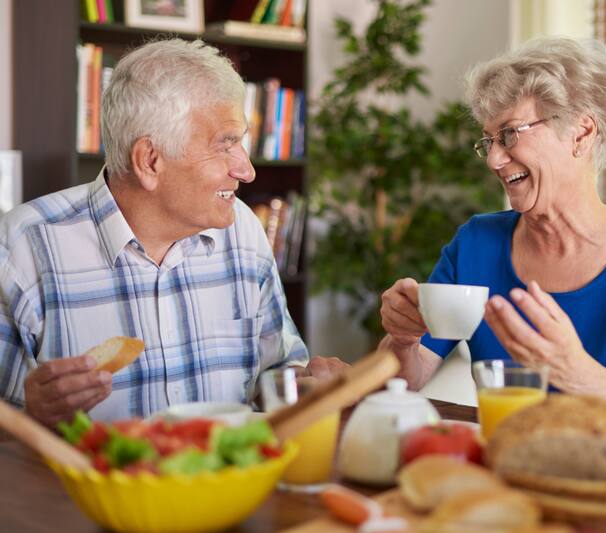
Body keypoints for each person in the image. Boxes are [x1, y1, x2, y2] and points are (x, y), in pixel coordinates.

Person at [0, 39, 347, 427]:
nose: (246, 171)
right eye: (225, 146)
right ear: (150, 161)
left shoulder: (244, 230)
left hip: (232, 483)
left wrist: (305, 386)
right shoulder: (22, 248)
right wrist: (32, 415)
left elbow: (275, 373)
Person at [379, 37, 606, 438]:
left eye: (510, 134)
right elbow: (408, 379)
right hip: (503, 469)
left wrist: (574, 371)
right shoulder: (476, 243)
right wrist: (403, 339)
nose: (495, 159)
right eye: (489, 141)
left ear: (581, 133)